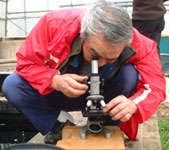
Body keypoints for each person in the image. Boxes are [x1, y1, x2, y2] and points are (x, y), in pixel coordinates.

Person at [2, 0, 166, 144]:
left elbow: (156, 87)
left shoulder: (140, 43)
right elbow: (26, 63)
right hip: (61, 93)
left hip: (108, 98)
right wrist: (54, 81)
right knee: (12, 85)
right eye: (94, 54)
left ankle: (109, 126)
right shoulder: (53, 24)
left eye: (110, 59)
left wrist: (133, 104)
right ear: (83, 34)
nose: (100, 64)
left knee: (129, 74)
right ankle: (58, 124)